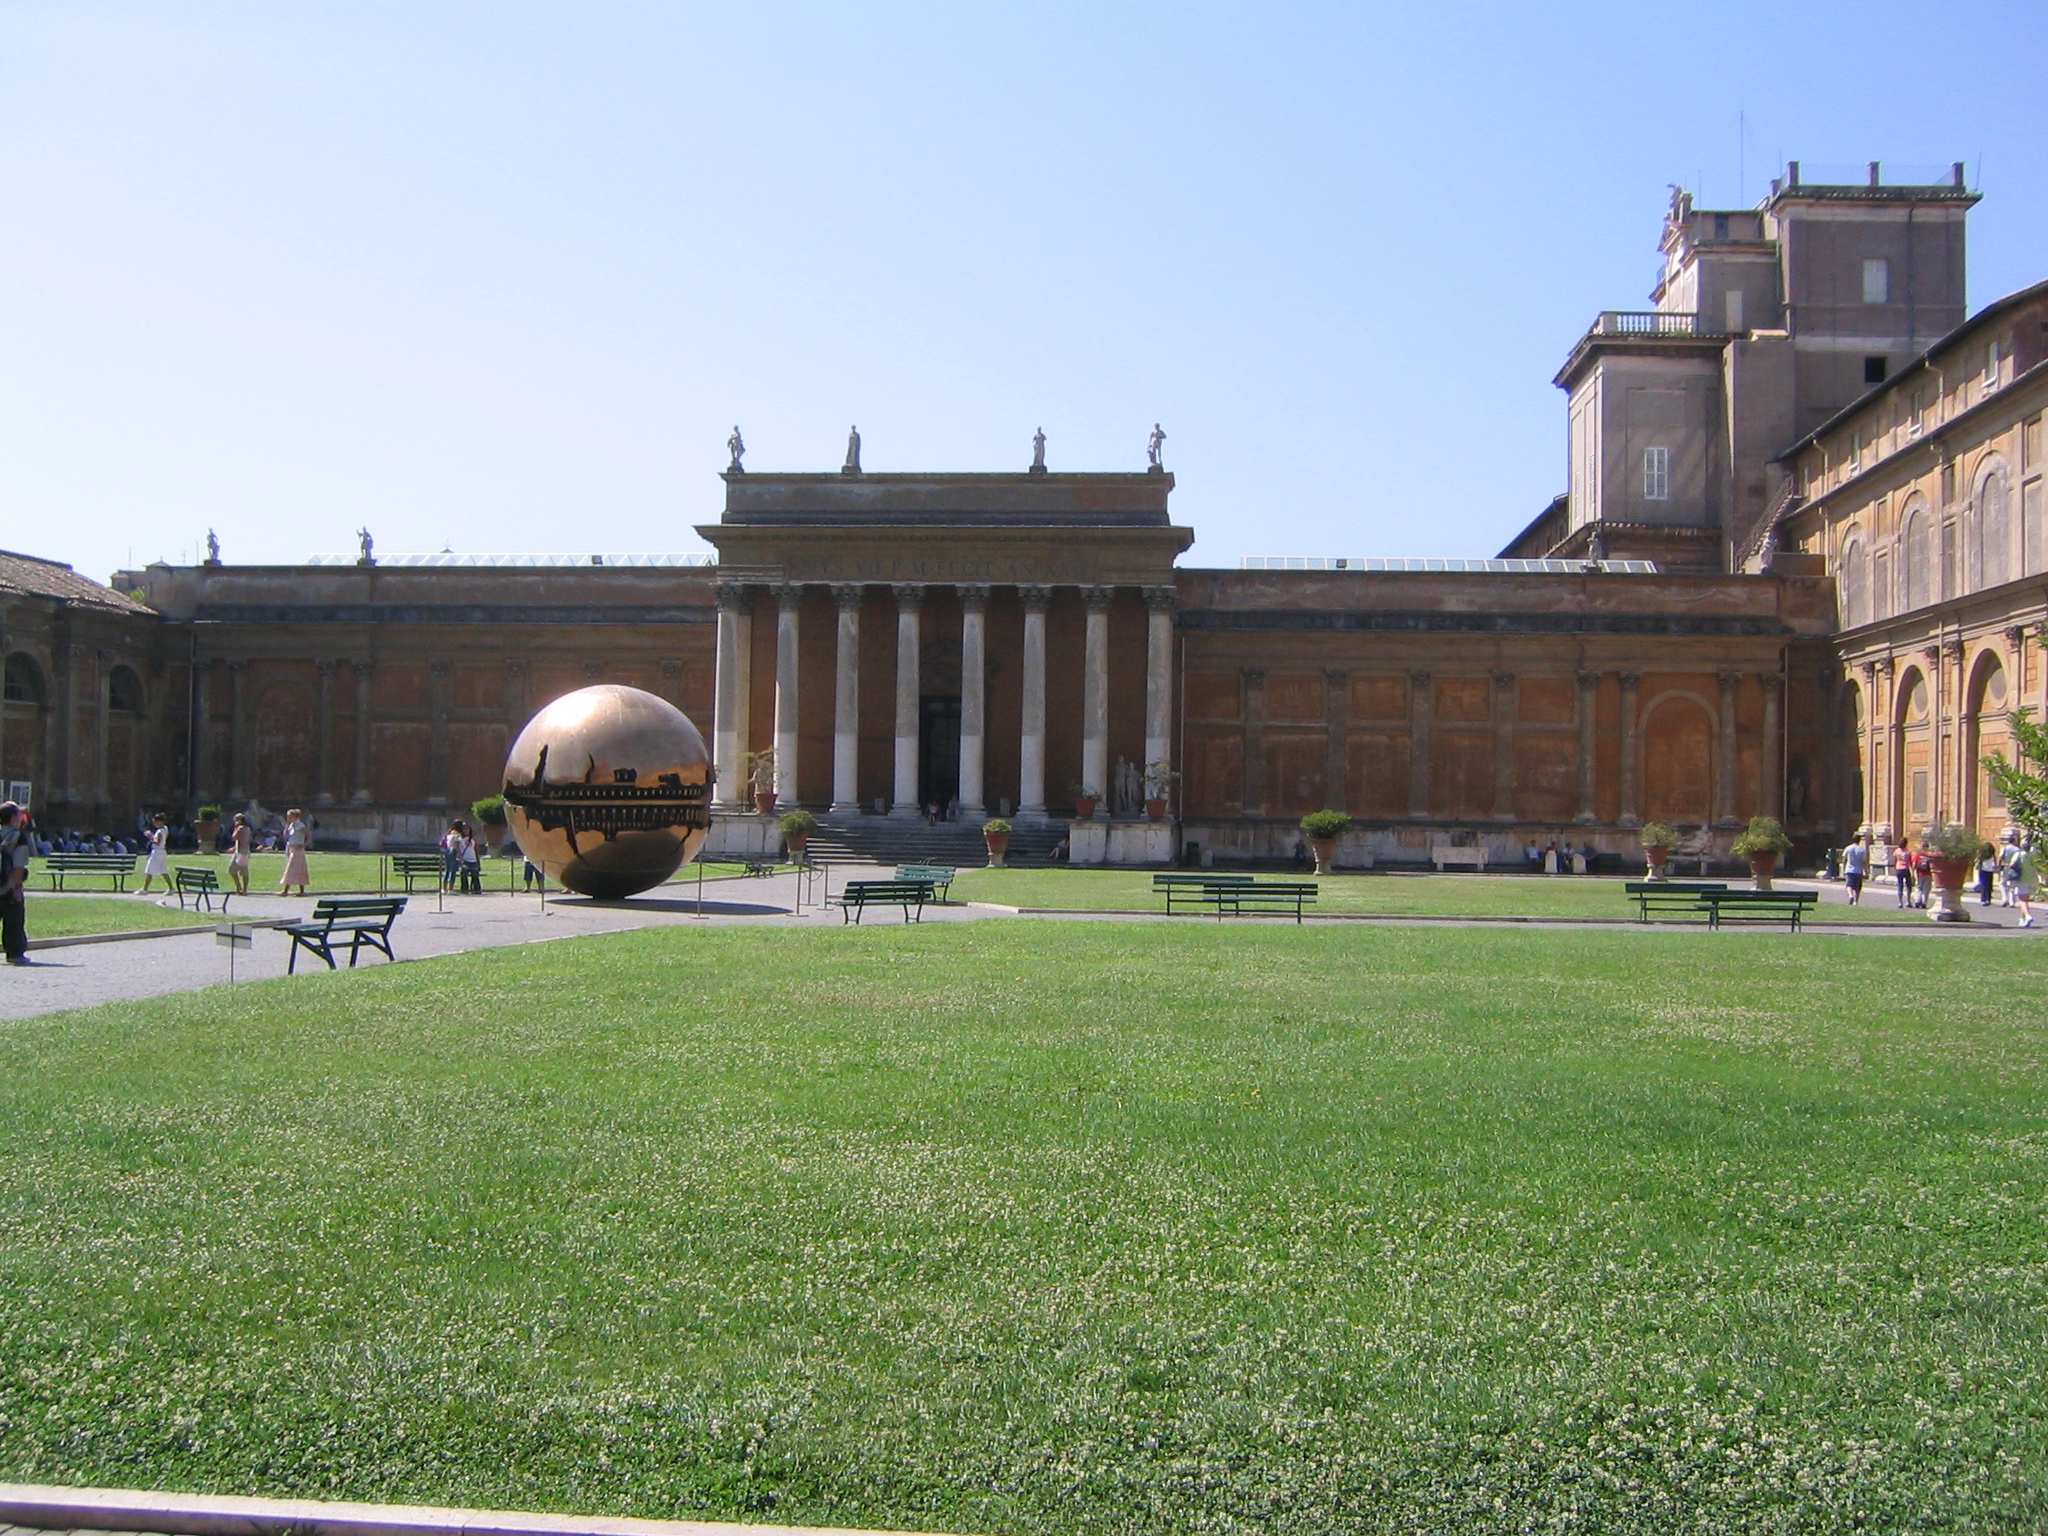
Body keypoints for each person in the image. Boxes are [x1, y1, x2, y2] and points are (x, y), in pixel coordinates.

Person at [0, 801, 30, 965]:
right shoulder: (18, 837)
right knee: (14, 922)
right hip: (8, 887)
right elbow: (18, 866)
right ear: (13, 817)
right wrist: (17, 887)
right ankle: (14, 953)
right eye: (19, 814)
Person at [278, 808, 311, 897]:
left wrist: (303, 845)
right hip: (291, 848)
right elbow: (285, 836)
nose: (288, 818)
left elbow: (308, 835)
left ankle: (286, 890)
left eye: (289, 816)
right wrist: (287, 825)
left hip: (297, 849)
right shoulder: (292, 825)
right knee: (296, 869)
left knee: (293, 868)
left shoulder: (300, 825)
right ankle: (300, 890)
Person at [139, 812, 171, 893]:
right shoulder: (165, 828)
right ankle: (171, 888)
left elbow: (157, 842)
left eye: (155, 822)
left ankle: (145, 889)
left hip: (157, 852)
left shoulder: (160, 831)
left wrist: (150, 836)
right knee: (163, 871)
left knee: (149, 870)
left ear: (160, 822)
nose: (154, 824)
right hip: (162, 852)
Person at [228, 812, 252, 896]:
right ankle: (243, 889)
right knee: (243, 871)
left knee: (233, 870)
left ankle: (239, 887)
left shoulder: (240, 828)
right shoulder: (248, 828)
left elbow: (234, 837)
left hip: (240, 853)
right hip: (244, 851)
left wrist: (235, 828)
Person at [2015, 841, 2038, 929]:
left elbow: (2012, 864)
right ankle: (2023, 919)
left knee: (2022, 900)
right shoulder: (2033, 856)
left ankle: (2028, 916)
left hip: (2022, 879)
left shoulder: (2019, 854)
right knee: (2025, 899)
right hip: (2033, 879)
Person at [1842, 835, 1868, 905]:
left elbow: (1844, 860)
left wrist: (1843, 869)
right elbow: (1864, 862)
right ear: (1859, 840)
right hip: (1858, 870)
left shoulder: (1848, 848)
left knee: (1849, 885)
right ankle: (1855, 901)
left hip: (1849, 869)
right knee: (1857, 887)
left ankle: (1850, 895)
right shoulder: (1862, 850)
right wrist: (1866, 871)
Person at [459, 825, 483, 894]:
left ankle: (476, 889)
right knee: (464, 874)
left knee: (475, 875)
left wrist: (478, 861)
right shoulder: (460, 840)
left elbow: (476, 850)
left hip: (473, 860)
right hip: (465, 860)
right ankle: (464, 889)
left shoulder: (473, 840)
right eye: (464, 829)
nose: (466, 831)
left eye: (467, 829)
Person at [441, 820, 465, 891]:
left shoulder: (450, 833)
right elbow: (457, 845)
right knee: (453, 870)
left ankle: (444, 888)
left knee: (447, 870)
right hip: (454, 851)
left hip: (448, 851)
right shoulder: (458, 834)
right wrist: (460, 854)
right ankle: (450, 889)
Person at [1977, 842, 1999, 906]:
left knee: (1983, 885)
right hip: (1990, 871)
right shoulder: (1992, 855)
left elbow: (1978, 862)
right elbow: (1995, 863)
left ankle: (1983, 899)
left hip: (1983, 870)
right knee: (1989, 885)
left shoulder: (1982, 855)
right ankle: (1988, 899)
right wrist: (1996, 869)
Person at [1912, 845, 1933, 910]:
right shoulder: (1929, 856)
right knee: (1926, 889)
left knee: (1918, 888)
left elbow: (1914, 865)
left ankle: (1917, 901)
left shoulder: (1918, 855)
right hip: (1928, 874)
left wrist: (1913, 873)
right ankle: (1923, 903)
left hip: (1919, 874)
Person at [1892, 842, 1912, 907]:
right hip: (1906, 869)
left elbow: (1895, 860)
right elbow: (1910, 861)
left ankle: (1900, 902)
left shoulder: (1897, 851)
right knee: (1908, 886)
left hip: (1899, 869)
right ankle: (1908, 901)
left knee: (1900, 885)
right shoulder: (1907, 851)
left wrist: (1895, 867)